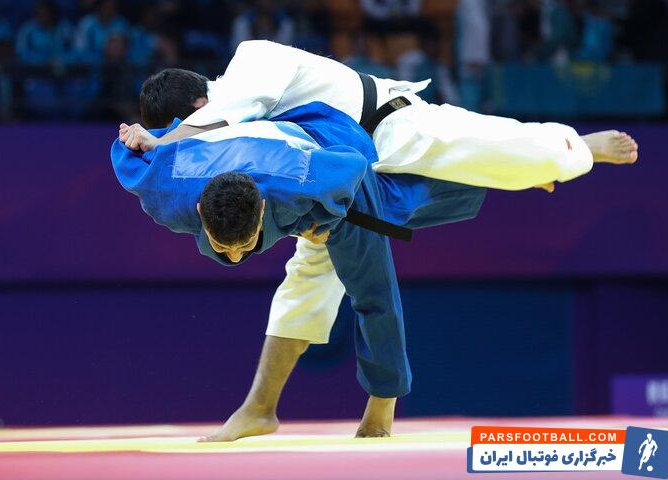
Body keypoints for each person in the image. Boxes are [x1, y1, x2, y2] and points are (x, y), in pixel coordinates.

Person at [119, 40, 638, 442]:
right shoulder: (226, 139)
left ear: (197, 104)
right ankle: (259, 408)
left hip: (390, 125)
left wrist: (163, 141)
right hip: (334, 178)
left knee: (479, 143)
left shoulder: (251, 62)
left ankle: (574, 148)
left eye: (186, 129)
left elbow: (225, 114)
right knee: (306, 280)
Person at [113, 101, 487, 438]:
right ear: (199, 211)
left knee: (374, 281)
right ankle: (259, 410)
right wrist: (151, 136)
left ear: (262, 208)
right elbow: (124, 149)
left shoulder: (302, 179)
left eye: (245, 244)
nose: (236, 257)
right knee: (311, 277)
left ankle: (381, 408)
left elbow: (354, 161)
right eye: (224, 246)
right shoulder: (163, 188)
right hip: (258, 152)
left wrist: (327, 216)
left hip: (325, 139)